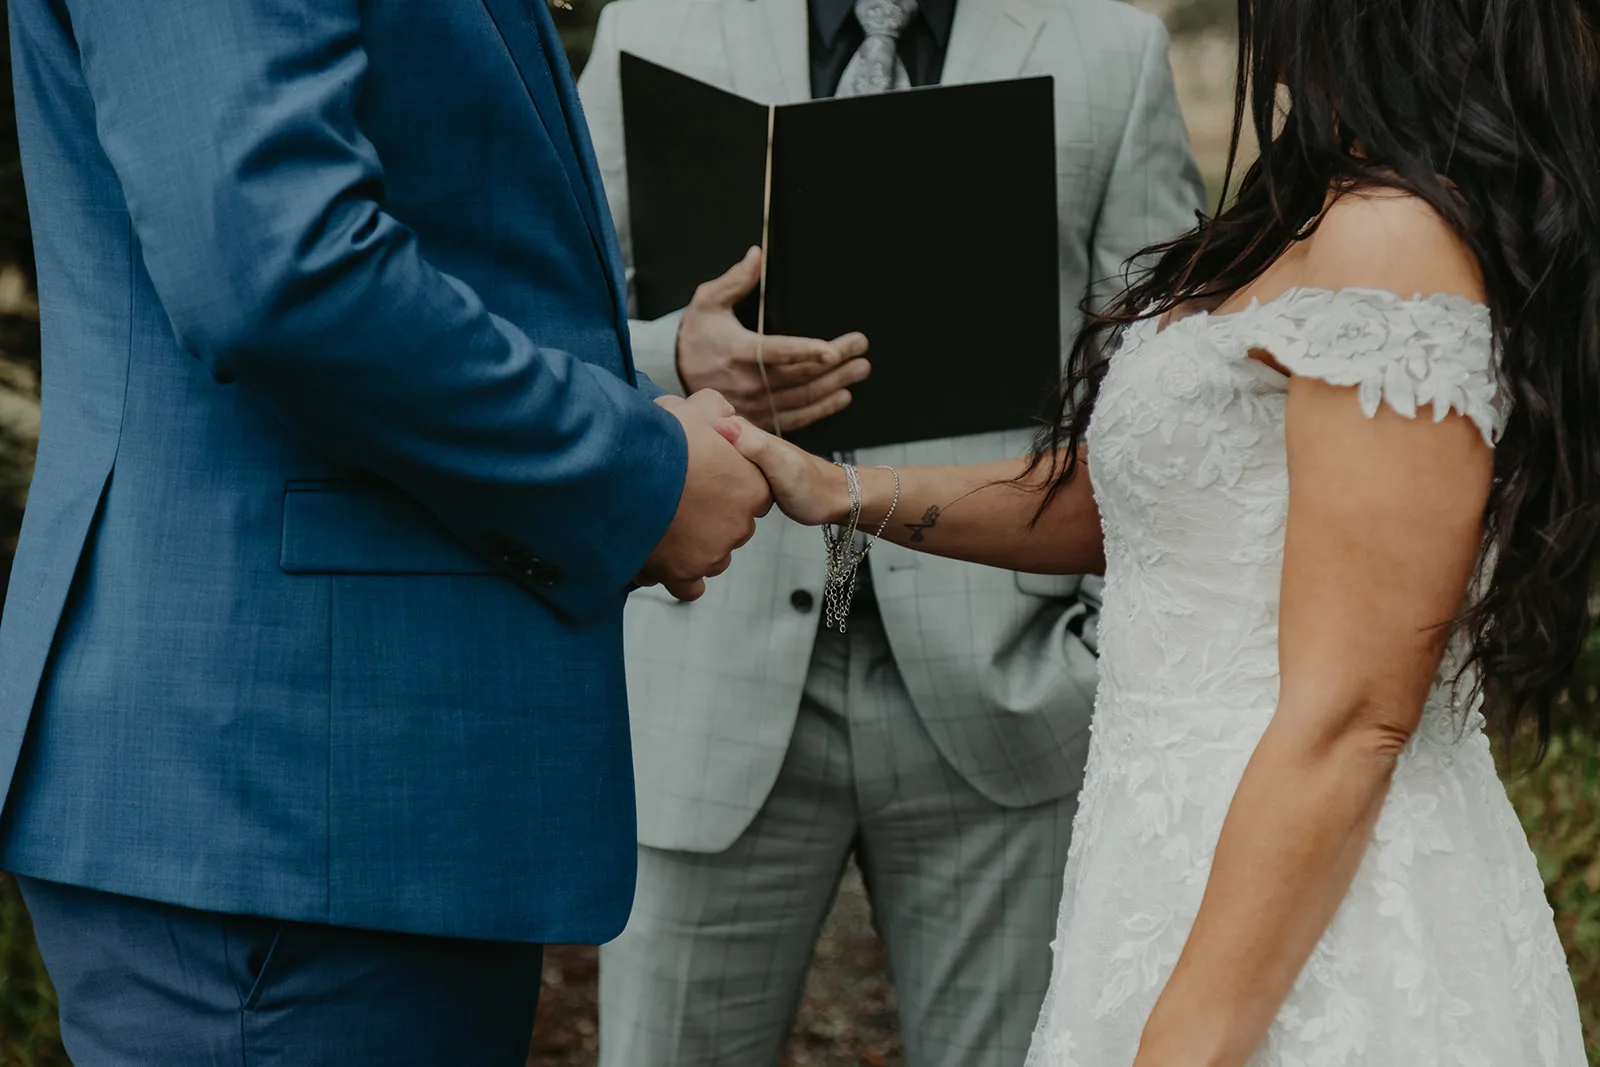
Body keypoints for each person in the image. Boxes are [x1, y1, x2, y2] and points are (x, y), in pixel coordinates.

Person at [710, 0, 1600, 1062]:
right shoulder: (1318, 212)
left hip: (1312, 905)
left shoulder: (1390, 237)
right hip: (1166, 864)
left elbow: (1355, 713)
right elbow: (1141, 503)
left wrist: (1186, 1039)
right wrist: (842, 492)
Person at [0, 1, 768, 1063]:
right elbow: (274, 268)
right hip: (278, 788)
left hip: (343, 794)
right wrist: (638, 477)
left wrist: (649, 385)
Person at [576, 0, 1202, 1063]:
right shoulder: (656, 26)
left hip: (1006, 692)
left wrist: (1098, 651)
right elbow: (551, 319)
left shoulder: (1112, 48)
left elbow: (1155, 386)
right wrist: (675, 352)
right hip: (704, 666)